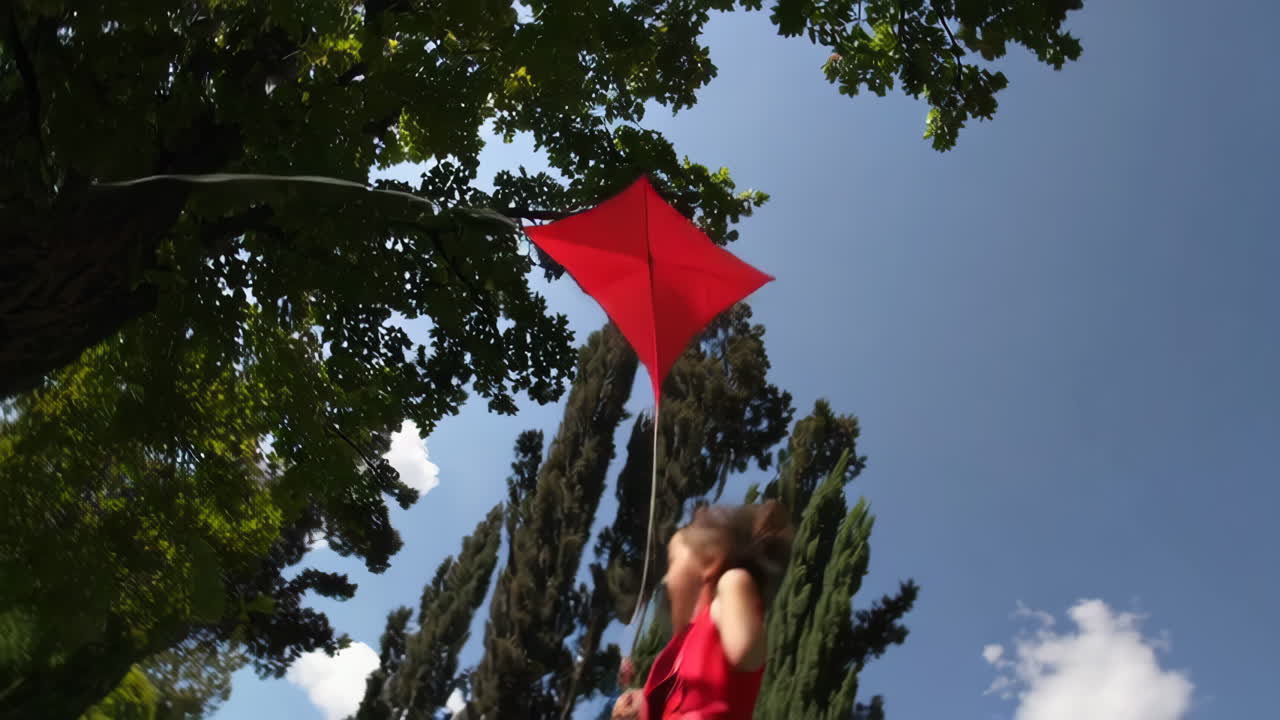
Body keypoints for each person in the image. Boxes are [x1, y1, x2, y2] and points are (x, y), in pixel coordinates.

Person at [612, 500, 794, 720]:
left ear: (710, 566)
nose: (667, 579)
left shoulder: (727, 595)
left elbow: (746, 651)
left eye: (672, 562)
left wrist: (733, 587)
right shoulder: (680, 652)